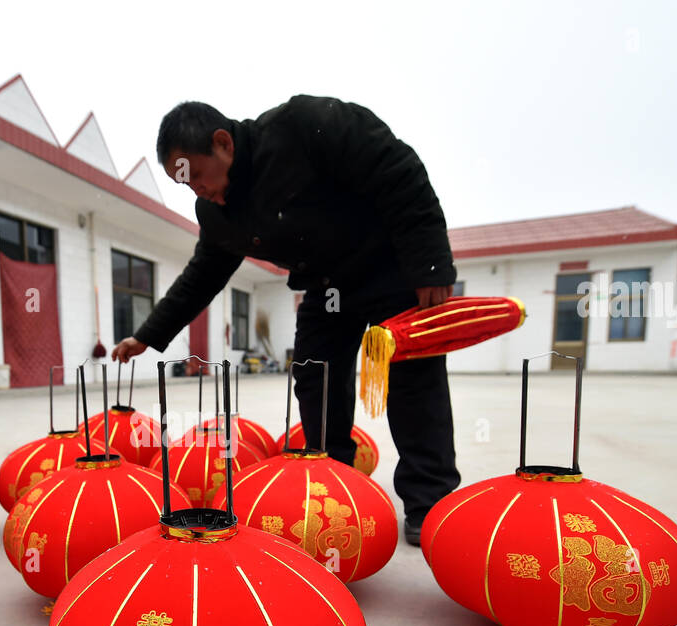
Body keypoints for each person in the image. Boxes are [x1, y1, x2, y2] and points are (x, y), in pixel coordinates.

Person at [111, 97, 460, 545]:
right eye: (184, 182)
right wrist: (146, 335)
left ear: (223, 143)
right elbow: (202, 276)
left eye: (195, 174)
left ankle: (430, 503)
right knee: (316, 379)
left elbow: (397, 168)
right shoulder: (217, 212)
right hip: (326, 285)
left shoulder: (305, 127)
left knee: (413, 378)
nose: (194, 189)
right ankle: (334, 486)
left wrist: (430, 262)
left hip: (390, 269)